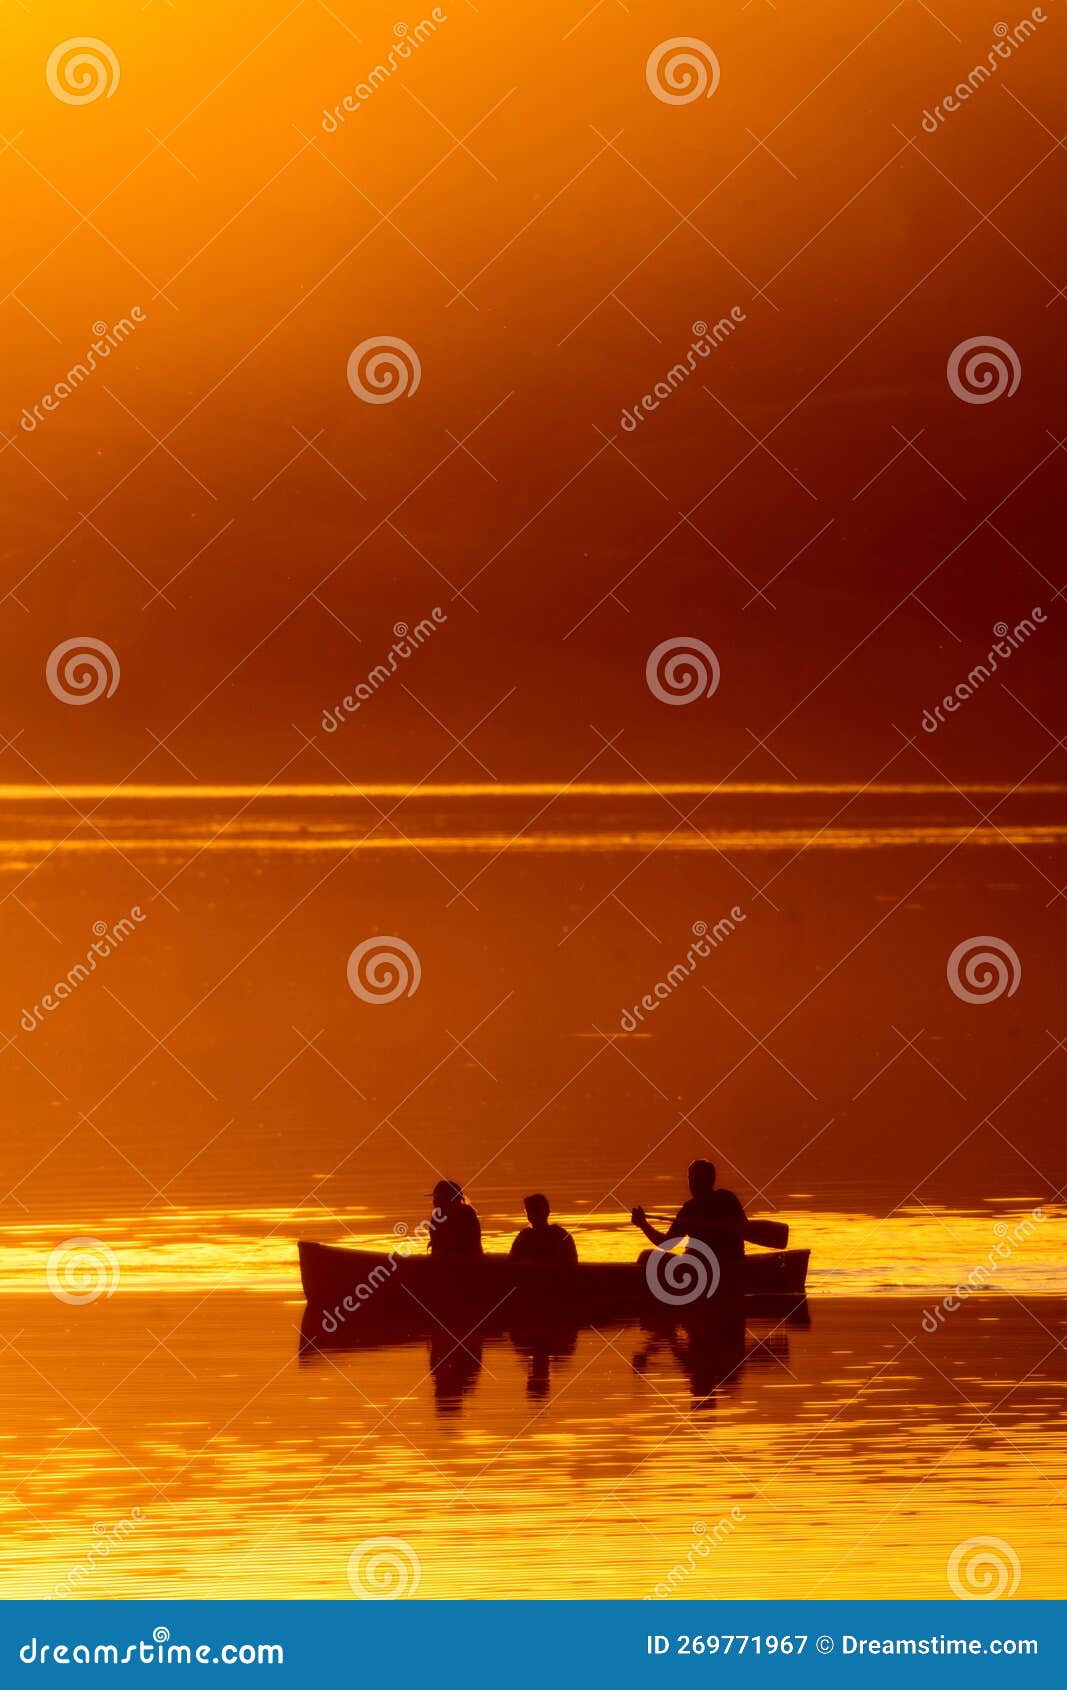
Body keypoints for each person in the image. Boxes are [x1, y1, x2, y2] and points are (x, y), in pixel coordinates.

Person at [630, 1159, 746, 1264]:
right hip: (698, 1263)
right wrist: (643, 1224)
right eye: (691, 1178)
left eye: (698, 1179)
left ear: (710, 1180)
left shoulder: (726, 1199)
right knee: (646, 1256)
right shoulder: (689, 1209)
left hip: (718, 1263)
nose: (693, 1184)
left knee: (646, 1257)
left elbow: (746, 1230)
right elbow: (667, 1243)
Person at [509, 1193, 578, 1267]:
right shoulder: (524, 1236)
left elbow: (571, 1263)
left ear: (547, 1211)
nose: (534, 1214)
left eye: (537, 1209)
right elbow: (512, 1260)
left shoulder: (560, 1235)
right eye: (530, 1210)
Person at [428, 1179, 483, 1258]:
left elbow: (469, 1243)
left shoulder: (466, 1214)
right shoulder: (437, 1216)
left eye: (437, 1197)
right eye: (435, 1198)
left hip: (466, 1260)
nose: (434, 1201)